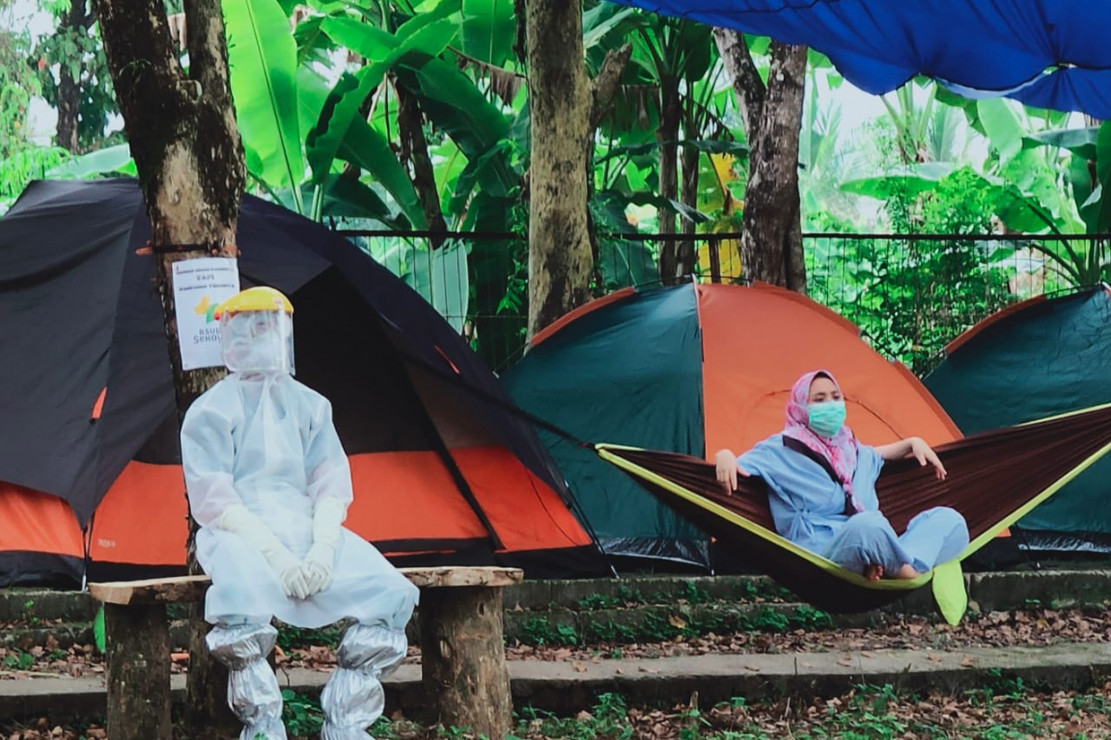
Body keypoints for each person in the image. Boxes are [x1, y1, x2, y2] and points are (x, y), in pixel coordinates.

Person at [180, 286, 419, 740]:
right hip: (238, 533)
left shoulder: (311, 405)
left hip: (308, 528)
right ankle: (265, 727)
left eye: (271, 325)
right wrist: (276, 556)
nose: (264, 337)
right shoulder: (210, 411)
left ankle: (347, 724)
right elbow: (215, 500)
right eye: (253, 327)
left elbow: (329, 485)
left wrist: (323, 549)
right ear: (231, 337)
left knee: (387, 592)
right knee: (242, 602)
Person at [714, 369, 969, 582]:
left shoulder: (849, 449)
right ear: (801, 406)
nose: (831, 405)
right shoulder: (780, 449)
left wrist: (912, 442)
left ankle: (882, 562)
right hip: (821, 555)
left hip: (875, 540)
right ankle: (908, 573)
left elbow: (874, 455)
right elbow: (739, 464)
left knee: (951, 520)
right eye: (820, 399)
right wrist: (724, 454)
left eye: (836, 397)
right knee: (868, 525)